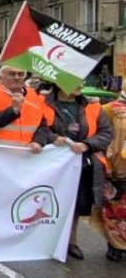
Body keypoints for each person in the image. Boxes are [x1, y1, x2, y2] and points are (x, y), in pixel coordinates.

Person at [32, 83, 112, 260]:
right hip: (48, 163)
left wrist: (86, 144)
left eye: (82, 81)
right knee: (44, 201)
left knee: (75, 202)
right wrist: (52, 137)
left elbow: (106, 133)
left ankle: (71, 241)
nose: (81, 84)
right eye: (75, 80)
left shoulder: (92, 106)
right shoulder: (41, 102)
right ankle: (39, 238)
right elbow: (36, 125)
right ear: (60, 82)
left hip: (80, 163)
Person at [0, 66, 45, 146]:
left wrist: (38, 141)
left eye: (20, 74)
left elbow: (42, 123)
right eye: (12, 74)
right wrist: (13, 110)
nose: (17, 77)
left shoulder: (34, 95)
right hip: (0, 153)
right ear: (0, 78)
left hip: (29, 152)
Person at [96, 95, 126, 261]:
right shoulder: (110, 109)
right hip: (117, 167)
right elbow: (101, 132)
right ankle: (115, 245)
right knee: (116, 209)